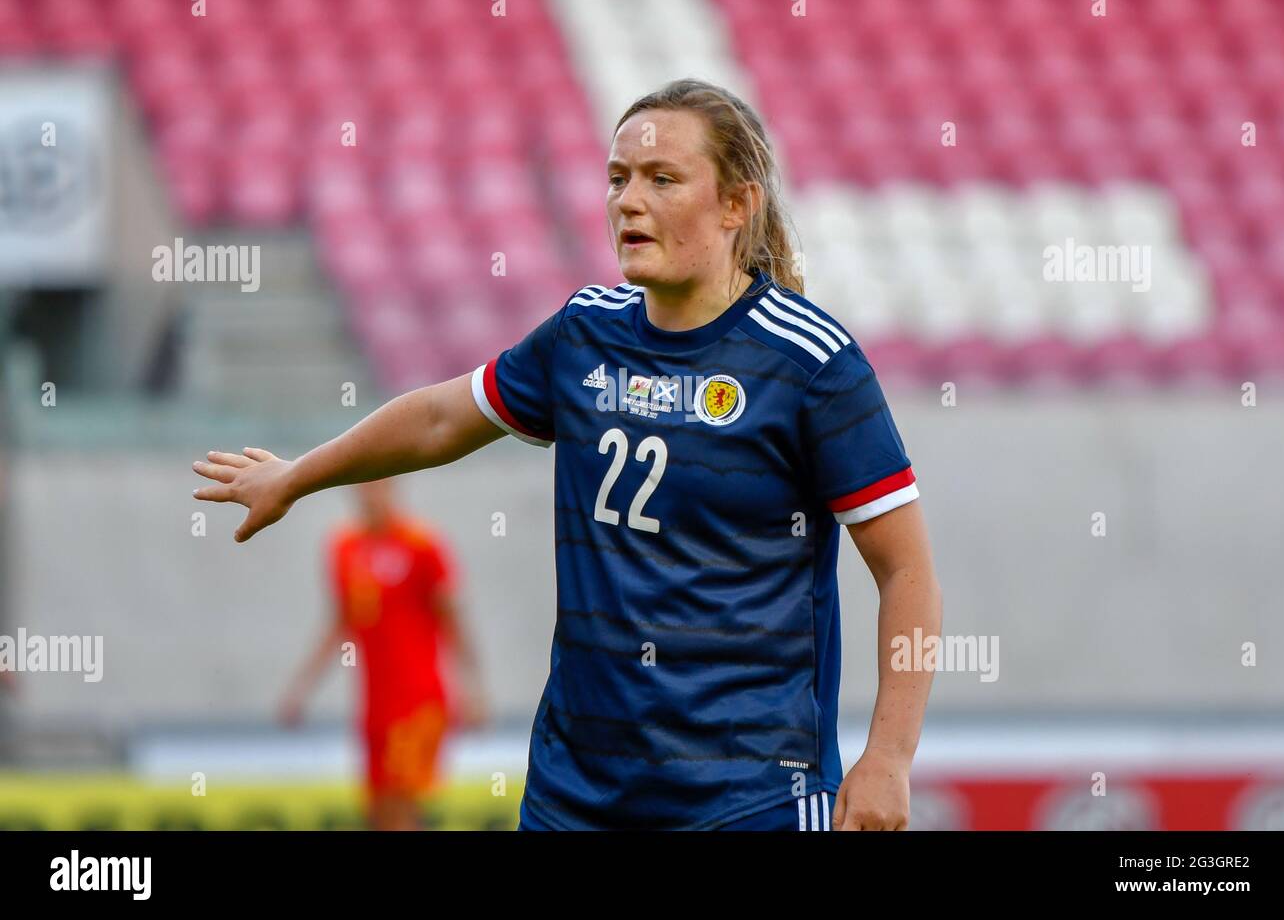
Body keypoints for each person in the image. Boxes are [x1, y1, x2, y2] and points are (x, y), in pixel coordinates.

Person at [193, 78, 942, 831]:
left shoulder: (809, 363)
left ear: (736, 205)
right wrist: (298, 476)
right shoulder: (583, 335)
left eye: (662, 179)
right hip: (578, 795)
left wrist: (889, 757)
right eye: (617, 178)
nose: (627, 200)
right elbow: (437, 419)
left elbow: (906, 569)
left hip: (751, 796)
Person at [277, 478, 486, 831]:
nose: (371, 493)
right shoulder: (343, 548)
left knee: (400, 807)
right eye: (363, 484)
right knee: (379, 812)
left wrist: (473, 687)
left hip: (417, 699)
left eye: (379, 483)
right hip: (374, 704)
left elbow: (452, 618)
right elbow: (341, 623)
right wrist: (303, 687)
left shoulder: (422, 544)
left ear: (393, 485)